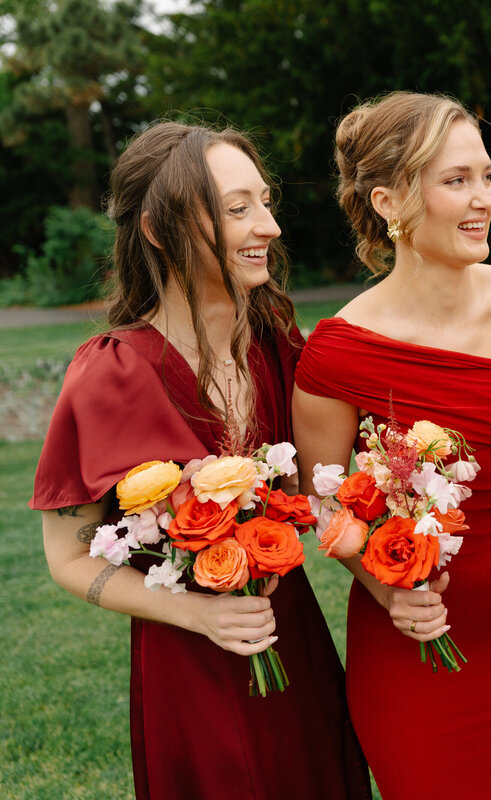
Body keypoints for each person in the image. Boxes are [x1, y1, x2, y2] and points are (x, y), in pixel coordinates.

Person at [30, 121, 371, 799]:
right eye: (237, 209)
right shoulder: (110, 373)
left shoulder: (279, 345)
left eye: (266, 203)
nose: (268, 226)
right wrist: (196, 613)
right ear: (159, 230)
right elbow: (68, 558)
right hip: (185, 658)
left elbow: (329, 485)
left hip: (289, 634)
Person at [291, 91, 491, 799]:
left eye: (486, 176)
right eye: (456, 180)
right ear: (389, 201)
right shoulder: (336, 352)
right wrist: (388, 594)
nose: (484, 199)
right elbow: (323, 505)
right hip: (409, 642)